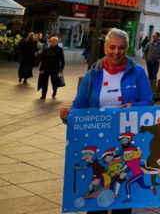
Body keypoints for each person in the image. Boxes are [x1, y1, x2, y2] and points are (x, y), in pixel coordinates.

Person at [59, 28, 153, 214]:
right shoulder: (93, 74)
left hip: (125, 143)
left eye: (121, 48)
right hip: (99, 143)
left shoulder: (138, 73)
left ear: (127, 48)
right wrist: (68, 116)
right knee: (97, 196)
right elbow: (80, 105)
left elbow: (148, 102)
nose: (116, 52)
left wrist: (134, 106)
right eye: (112, 47)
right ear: (105, 48)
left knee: (122, 201)